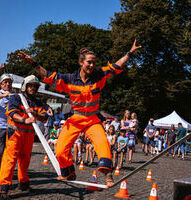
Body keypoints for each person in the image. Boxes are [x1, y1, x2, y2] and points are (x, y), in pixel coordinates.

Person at [18, 39, 141, 187]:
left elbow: (116, 66)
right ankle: (69, 171)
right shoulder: (68, 79)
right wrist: (33, 63)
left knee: (103, 145)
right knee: (60, 150)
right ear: (81, 62)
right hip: (75, 119)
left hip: (93, 120)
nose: (92, 65)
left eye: (94, 63)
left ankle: (108, 175)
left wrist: (130, 53)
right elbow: (48, 76)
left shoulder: (99, 76)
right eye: (89, 62)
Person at [0, 75, 48, 199]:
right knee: (10, 160)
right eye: (30, 85)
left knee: (25, 160)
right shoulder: (16, 97)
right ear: (25, 86)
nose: (32, 88)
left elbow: (45, 117)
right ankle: (3, 188)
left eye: (35, 86)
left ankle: (23, 183)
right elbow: (12, 113)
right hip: (15, 134)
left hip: (29, 135)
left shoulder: (38, 102)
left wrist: (35, 113)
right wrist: (24, 120)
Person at [0, 74, 13, 166]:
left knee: (9, 151)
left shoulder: (14, 95)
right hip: (0, 127)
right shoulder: (2, 94)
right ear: (1, 84)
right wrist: (4, 95)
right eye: (5, 82)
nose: (7, 84)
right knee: (0, 150)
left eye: (9, 82)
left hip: (11, 128)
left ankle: (5, 171)